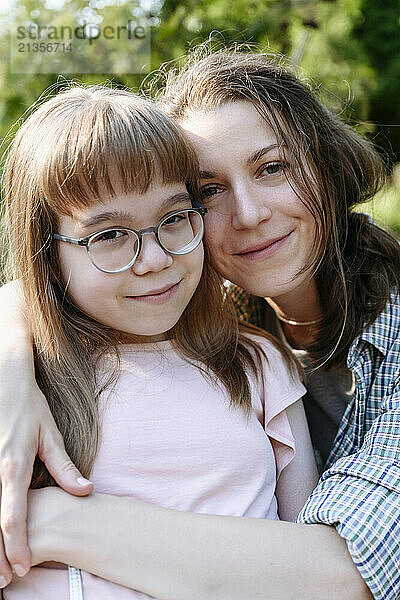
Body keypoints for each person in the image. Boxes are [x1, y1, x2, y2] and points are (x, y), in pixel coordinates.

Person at [0, 47, 399, 599]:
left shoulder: (263, 361)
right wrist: (12, 362)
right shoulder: (210, 317)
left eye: (273, 167)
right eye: (209, 190)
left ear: (327, 165)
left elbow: (347, 574)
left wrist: (49, 521)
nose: (250, 214)